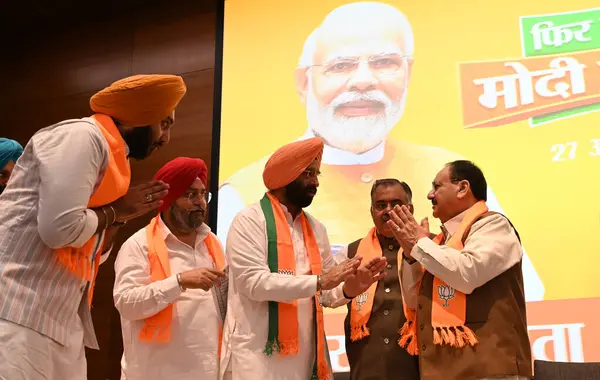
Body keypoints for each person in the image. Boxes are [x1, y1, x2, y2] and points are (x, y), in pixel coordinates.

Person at [217, 1, 543, 301]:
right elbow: (240, 290)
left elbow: (522, 291)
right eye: (341, 66)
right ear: (304, 82)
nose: (362, 81)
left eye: (384, 62)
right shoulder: (242, 195)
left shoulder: (450, 176)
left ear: (408, 74)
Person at [0, 74, 187, 380]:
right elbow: (59, 230)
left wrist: (122, 215)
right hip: (18, 313)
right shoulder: (82, 136)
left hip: (61, 322)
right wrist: (116, 211)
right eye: (164, 123)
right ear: (141, 115)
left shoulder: (114, 161)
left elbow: (92, 255)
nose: (166, 137)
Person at [220, 137, 387, 380]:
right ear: (284, 175)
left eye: (316, 174)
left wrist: (351, 289)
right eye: (308, 173)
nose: (315, 182)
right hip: (256, 358)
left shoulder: (316, 228)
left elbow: (327, 295)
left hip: (306, 359)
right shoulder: (249, 220)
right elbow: (253, 284)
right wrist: (320, 282)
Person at [388, 160, 532, 380]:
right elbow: (412, 301)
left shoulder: (494, 226)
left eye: (437, 186)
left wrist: (419, 243)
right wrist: (411, 256)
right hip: (443, 371)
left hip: (490, 371)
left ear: (463, 188)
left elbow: (467, 273)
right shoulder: (439, 243)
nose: (429, 194)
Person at [114, 157, 227, 380]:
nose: (200, 202)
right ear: (168, 200)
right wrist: (179, 282)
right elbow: (126, 304)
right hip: (156, 372)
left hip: (209, 371)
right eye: (190, 194)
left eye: (203, 194)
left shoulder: (212, 243)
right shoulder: (138, 245)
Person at [338, 178, 419, 380]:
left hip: (418, 367)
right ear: (372, 211)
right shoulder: (351, 252)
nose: (388, 211)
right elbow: (327, 297)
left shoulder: (432, 246)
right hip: (368, 366)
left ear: (410, 209)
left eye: (396, 204)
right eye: (381, 205)